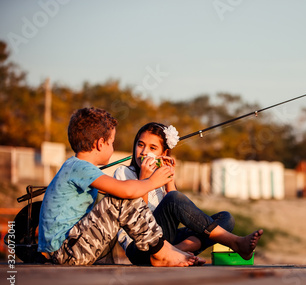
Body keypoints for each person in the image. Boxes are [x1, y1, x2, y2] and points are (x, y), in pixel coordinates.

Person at [38, 107, 199, 267]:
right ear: (101, 144)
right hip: (67, 252)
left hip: (70, 248)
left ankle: (163, 250)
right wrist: (151, 182)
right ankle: (161, 253)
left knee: (122, 196)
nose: (112, 147)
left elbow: (116, 189)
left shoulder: (76, 167)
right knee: (123, 198)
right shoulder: (80, 167)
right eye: (112, 143)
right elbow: (126, 191)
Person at [113, 122, 263, 265]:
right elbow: (139, 221)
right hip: (139, 247)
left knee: (225, 218)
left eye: (153, 148)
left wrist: (169, 179)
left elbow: (175, 214)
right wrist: (144, 179)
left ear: (164, 153)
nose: (145, 152)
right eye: (140, 145)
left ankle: (177, 250)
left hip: (163, 240)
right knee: (173, 198)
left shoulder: (160, 176)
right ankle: (235, 242)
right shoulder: (123, 173)